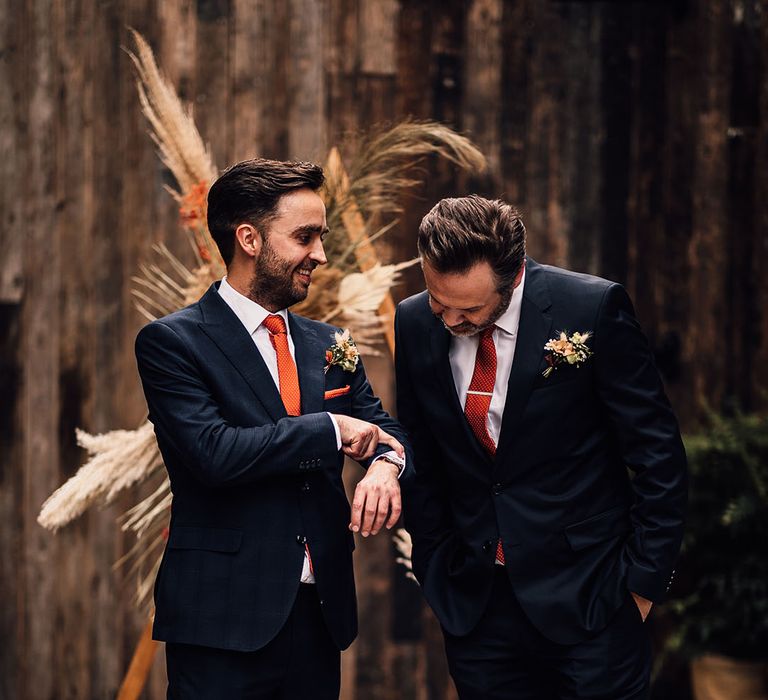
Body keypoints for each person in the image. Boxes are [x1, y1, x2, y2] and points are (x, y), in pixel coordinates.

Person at [135, 158, 409, 699]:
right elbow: (214, 454)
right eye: (305, 237)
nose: (321, 255)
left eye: (322, 236)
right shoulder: (173, 343)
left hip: (318, 616)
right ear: (249, 239)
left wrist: (385, 466)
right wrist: (329, 428)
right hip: (221, 622)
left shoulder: (329, 342)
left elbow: (384, 429)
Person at [396, 195, 687, 699]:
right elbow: (422, 449)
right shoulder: (414, 319)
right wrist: (435, 561)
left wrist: (642, 584)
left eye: (469, 309)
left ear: (513, 278)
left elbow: (657, 452)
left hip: (592, 598)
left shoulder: (590, 308)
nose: (448, 320)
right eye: (438, 300)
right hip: (478, 607)